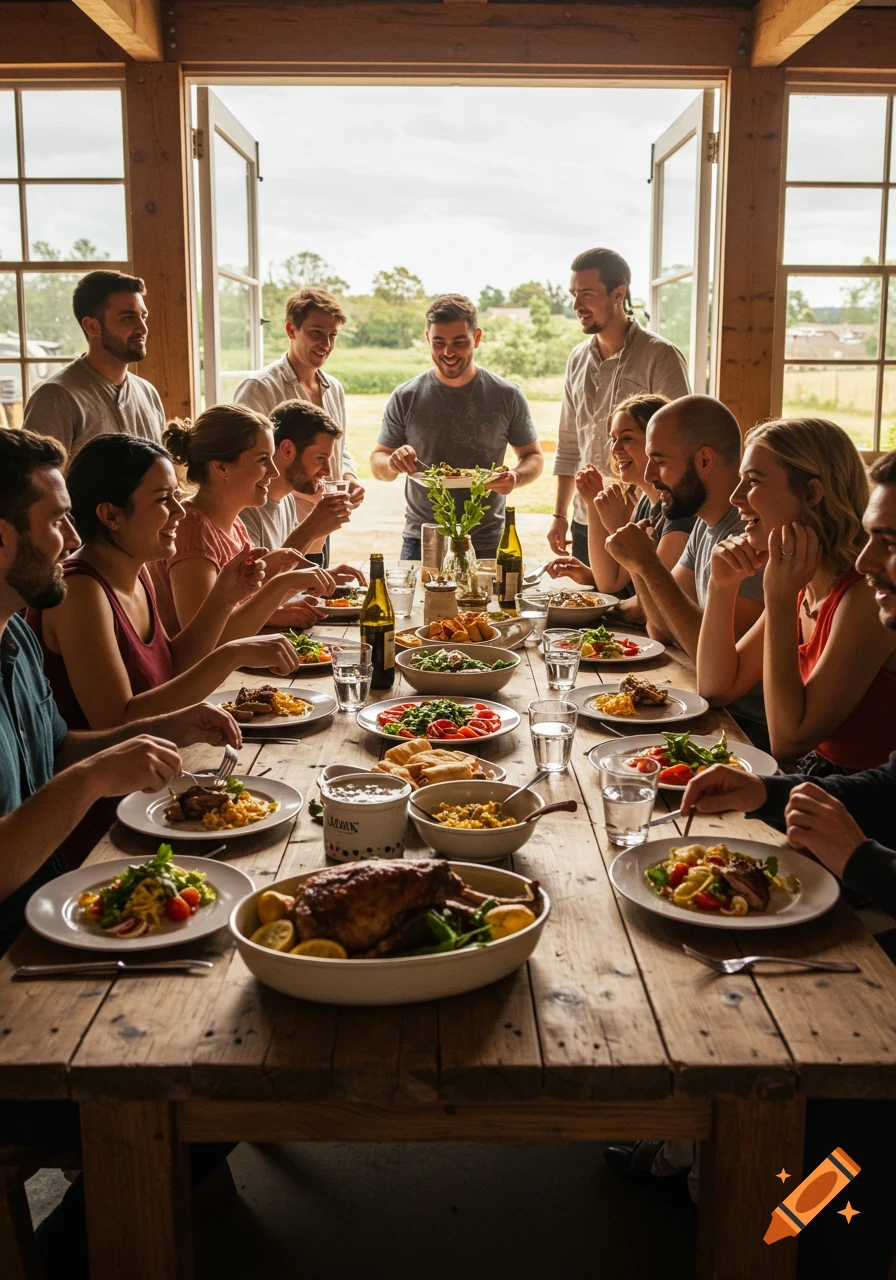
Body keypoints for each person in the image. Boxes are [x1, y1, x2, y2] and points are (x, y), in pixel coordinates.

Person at [0, 427, 243, 1278]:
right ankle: (101, 1242)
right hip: (14, 967)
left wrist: (153, 725)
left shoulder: (14, 632)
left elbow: (58, 742)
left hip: (62, 906)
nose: (70, 544)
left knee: (242, 1000)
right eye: (56, 522)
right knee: (213, 1074)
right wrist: (97, 771)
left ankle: (172, 1203)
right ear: (0, 538)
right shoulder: (66, 598)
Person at [27, 434, 300, 731]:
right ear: (111, 515)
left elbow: (170, 666)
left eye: (176, 495)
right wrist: (234, 654)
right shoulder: (80, 590)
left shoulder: (136, 569)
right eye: (162, 499)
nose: (180, 511)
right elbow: (116, 722)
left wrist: (224, 598)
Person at [696, 418, 896, 771]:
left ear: (812, 493)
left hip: (860, 803)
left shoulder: (866, 594)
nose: (735, 497)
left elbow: (787, 740)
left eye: (753, 481)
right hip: (815, 779)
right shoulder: (804, 581)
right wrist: (722, 585)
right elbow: (715, 687)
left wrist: (779, 598)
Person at [604, 394, 767, 741]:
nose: (649, 474)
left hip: (745, 729)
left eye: (659, 461)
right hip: (708, 709)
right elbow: (660, 626)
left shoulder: (751, 537)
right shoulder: (705, 525)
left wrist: (646, 562)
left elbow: (712, 664)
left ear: (705, 460)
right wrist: (640, 563)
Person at [370, 293, 544, 559]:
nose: (448, 352)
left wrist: (516, 477)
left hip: (486, 537)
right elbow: (377, 461)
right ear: (428, 338)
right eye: (438, 342)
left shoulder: (507, 394)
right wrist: (392, 463)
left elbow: (533, 456)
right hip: (424, 537)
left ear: (477, 338)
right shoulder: (406, 395)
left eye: (459, 342)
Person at [548, 247, 690, 563]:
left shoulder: (660, 356)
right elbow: (569, 445)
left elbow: (680, 446)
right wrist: (560, 514)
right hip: (586, 522)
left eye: (586, 294)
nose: (576, 305)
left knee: (638, 609)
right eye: (573, 294)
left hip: (646, 522)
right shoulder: (576, 359)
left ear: (618, 293)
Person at [147, 404, 330, 637]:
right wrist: (283, 583)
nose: (274, 472)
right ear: (221, 467)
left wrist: (287, 576)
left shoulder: (234, 525)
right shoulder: (191, 528)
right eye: (263, 460)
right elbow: (204, 640)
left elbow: (240, 613)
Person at [233, 287, 363, 566]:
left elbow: (339, 449)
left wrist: (349, 476)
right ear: (291, 330)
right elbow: (247, 463)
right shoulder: (259, 388)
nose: (326, 343)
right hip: (274, 529)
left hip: (321, 530)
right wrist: (305, 488)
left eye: (332, 335)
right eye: (317, 333)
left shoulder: (334, 388)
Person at [544, 392, 695, 618]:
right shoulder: (645, 501)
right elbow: (609, 582)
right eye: (613, 439)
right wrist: (594, 505)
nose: (615, 450)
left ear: (656, 441)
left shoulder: (682, 513)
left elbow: (653, 603)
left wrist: (618, 527)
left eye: (627, 438)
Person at [21, 270, 164, 453]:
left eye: (143, 317)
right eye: (128, 318)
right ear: (92, 326)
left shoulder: (148, 393)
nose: (142, 328)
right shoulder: (56, 397)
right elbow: (36, 480)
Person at [238, 399, 365, 588]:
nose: (327, 471)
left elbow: (288, 569)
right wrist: (311, 527)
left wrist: (324, 574)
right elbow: (252, 590)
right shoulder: (245, 508)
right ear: (288, 450)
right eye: (320, 458)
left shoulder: (287, 500)